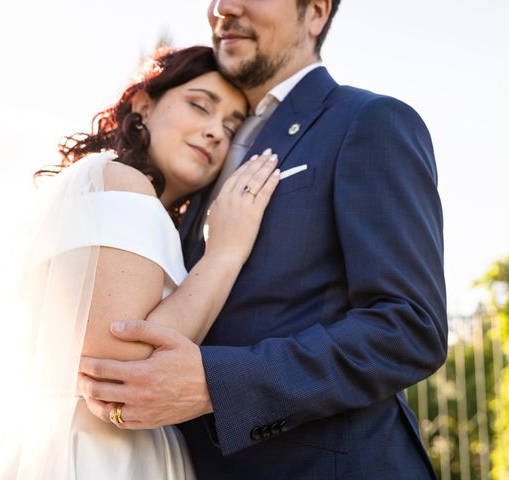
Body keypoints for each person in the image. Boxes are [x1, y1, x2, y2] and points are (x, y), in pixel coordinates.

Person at [78, 0, 448, 478]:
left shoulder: (369, 120)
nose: (222, 8)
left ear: (314, 12)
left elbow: (409, 326)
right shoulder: (200, 159)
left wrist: (216, 384)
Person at [9, 45, 281, 479]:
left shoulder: (117, 196)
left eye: (231, 127)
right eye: (199, 105)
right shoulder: (121, 180)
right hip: (98, 459)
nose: (215, 132)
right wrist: (226, 254)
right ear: (143, 105)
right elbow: (123, 373)